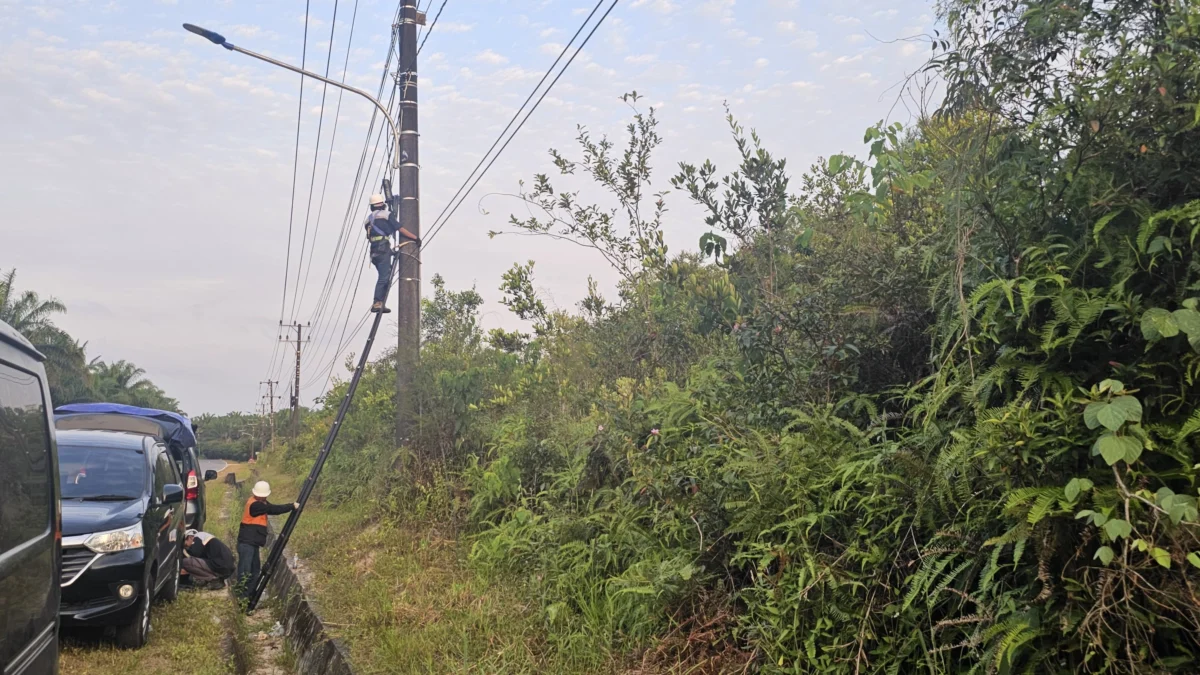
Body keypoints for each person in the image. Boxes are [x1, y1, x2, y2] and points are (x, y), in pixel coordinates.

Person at [236, 481, 298, 599]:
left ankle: (248, 598)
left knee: (254, 572)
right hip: (246, 544)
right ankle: (241, 598)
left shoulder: (261, 502)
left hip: (252, 544)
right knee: (245, 572)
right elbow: (273, 509)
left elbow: (271, 508)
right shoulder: (255, 505)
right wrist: (291, 506)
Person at [364, 193, 419, 313]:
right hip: (383, 250)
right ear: (382, 204)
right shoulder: (386, 215)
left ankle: (380, 301)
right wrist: (415, 238)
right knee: (384, 278)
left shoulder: (368, 219)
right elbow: (400, 228)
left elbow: (374, 236)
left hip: (374, 253)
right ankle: (377, 302)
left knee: (386, 275)